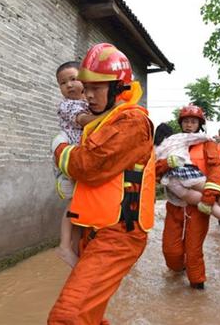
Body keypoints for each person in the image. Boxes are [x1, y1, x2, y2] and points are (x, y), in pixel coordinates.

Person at [48, 43, 155, 325]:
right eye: (87, 87)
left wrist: (59, 149)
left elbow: (88, 166)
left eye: (96, 88)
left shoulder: (131, 121)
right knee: (87, 315)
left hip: (117, 234)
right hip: (94, 231)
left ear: (119, 88)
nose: (88, 94)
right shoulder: (108, 119)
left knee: (68, 316)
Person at [157, 105, 220, 290]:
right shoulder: (172, 143)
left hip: (200, 203)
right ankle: (178, 270)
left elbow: (215, 171)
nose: (188, 125)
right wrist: (164, 164)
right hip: (175, 204)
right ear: (180, 123)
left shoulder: (207, 143)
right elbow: (155, 171)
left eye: (193, 122)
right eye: (185, 121)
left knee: (193, 250)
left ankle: (197, 285)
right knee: (171, 251)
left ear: (199, 124)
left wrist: (209, 196)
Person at [154, 123, 220, 240]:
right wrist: (214, 138)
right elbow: (202, 137)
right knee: (217, 194)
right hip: (188, 173)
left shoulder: (154, 149)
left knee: (211, 206)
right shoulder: (178, 137)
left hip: (172, 183)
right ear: (170, 132)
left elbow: (153, 170)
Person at [53, 61, 99, 268]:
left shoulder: (88, 102)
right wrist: (111, 116)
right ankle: (64, 246)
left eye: (73, 79)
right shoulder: (68, 106)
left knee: (80, 209)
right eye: (63, 83)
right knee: (73, 204)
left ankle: (73, 247)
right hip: (72, 158)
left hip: (83, 158)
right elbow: (83, 121)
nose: (69, 85)